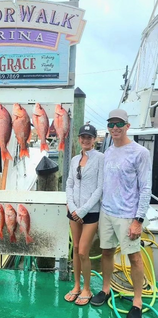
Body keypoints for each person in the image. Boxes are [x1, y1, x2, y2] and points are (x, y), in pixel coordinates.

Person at [90, 109, 152, 318]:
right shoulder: (107, 151)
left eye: (119, 124)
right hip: (107, 212)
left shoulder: (140, 152)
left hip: (128, 216)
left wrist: (138, 220)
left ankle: (137, 302)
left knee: (134, 258)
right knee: (106, 252)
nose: (115, 128)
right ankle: (106, 289)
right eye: (111, 124)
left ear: (128, 126)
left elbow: (145, 188)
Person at [64, 124, 104, 305]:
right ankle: (76, 285)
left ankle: (87, 288)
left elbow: (100, 188)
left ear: (94, 139)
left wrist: (82, 210)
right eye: (83, 137)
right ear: (79, 138)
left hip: (90, 212)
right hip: (74, 211)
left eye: (89, 137)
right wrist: (73, 207)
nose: (86, 140)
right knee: (75, 250)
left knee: (83, 251)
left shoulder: (100, 159)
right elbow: (69, 184)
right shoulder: (74, 160)